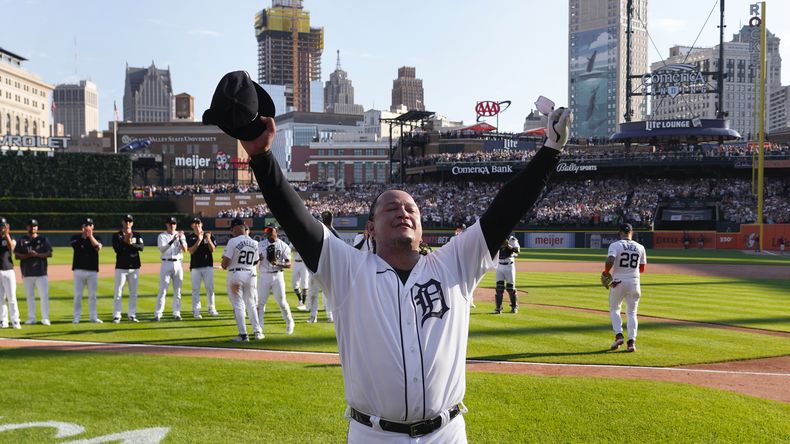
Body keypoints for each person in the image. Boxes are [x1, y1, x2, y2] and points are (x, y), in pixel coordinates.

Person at [202, 70, 571, 441]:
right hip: (375, 435)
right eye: (390, 209)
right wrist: (262, 158)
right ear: (371, 229)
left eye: (411, 209)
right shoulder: (347, 270)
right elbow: (296, 218)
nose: (403, 213)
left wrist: (549, 152)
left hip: (446, 433)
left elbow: (505, 209)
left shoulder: (455, 263)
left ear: (422, 227)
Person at [601, 223, 647, 353]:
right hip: (634, 282)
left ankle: (619, 335)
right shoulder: (640, 247)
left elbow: (610, 259)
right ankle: (631, 343)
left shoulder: (615, 245)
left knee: (615, 308)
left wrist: (606, 272)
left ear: (620, 232)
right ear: (631, 232)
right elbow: (642, 269)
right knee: (632, 313)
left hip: (618, 281)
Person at [221, 217, 263, 341]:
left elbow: (225, 264)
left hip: (236, 274)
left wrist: (226, 264)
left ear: (237, 227)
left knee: (238, 305)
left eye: (232, 228)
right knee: (251, 304)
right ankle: (258, 332)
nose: (231, 231)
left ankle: (243, 334)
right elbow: (256, 261)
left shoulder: (233, 241)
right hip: (251, 273)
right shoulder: (255, 242)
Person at [256, 224, 295, 336]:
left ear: (276, 231)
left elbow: (289, 264)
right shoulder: (260, 245)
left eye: (270, 230)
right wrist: (258, 259)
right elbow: (255, 261)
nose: (267, 232)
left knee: (282, 302)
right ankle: (260, 328)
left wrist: (278, 263)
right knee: (260, 303)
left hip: (277, 275)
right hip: (264, 275)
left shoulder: (284, 246)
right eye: (266, 230)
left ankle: (290, 322)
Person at [14, 219, 53, 325]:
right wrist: (28, 255)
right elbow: (17, 256)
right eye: (31, 226)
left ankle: (45, 318)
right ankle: (32, 318)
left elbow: (49, 253)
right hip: (27, 273)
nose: (33, 228)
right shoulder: (22, 240)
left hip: (41, 273)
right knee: (30, 297)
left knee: (44, 296)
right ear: (27, 227)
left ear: (37, 227)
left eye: (35, 226)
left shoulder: (43, 239)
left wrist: (37, 255)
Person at [154, 217, 188, 321]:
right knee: (163, 290)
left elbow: (185, 250)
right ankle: (158, 314)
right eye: (170, 223)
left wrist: (181, 239)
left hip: (178, 263)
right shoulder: (162, 236)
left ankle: (177, 313)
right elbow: (162, 250)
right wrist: (173, 240)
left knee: (177, 290)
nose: (172, 225)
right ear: (167, 224)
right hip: (166, 263)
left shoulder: (181, 235)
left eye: (174, 223)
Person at [112, 214, 144, 323]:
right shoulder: (117, 235)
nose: (128, 223)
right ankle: (117, 315)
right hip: (121, 266)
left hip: (134, 266)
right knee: (118, 291)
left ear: (132, 223)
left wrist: (131, 244)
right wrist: (126, 242)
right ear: (122, 222)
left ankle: (132, 314)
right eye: (126, 221)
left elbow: (141, 247)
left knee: (133, 292)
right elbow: (117, 249)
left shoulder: (137, 234)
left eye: (130, 221)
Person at [71, 218, 103, 324]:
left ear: (93, 227)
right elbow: (74, 245)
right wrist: (84, 236)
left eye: (90, 225)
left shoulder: (97, 238)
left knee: (92, 295)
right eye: (86, 225)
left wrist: (91, 236)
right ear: (82, 227)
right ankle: (76, 317)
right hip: (78, 270)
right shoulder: (76, 238)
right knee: (78, 295)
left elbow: (98, 247)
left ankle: (93, 317)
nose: (87, 227)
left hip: (92, 271)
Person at [186, 217, 218, 318]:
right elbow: (190, 251)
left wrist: (208, 239)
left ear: (201, 224)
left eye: (198, 223)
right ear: (192, 226)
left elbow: (213, 249)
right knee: (196, 289)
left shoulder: (209, 234)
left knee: (210, 288)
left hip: (208, 265)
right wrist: (199, 240)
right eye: (194, 224)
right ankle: (196, 310)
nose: (197, 225)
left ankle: (211, 308)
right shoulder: (190, 237)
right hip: (195, 266)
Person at [0, 217, 21, 329]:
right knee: (0, 298)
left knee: (11, 297)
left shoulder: (11, 237)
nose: (1, 228)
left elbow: (12, 248)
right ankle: (3, 320)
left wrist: (7, 234)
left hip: (8, 270)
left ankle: (15, 320)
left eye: (3, 226)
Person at [494, 234, 521, 314]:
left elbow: (517, 250)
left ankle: (514, 306)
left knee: (510, 288)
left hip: (509, 265)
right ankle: (498, 308)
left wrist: (508, 245)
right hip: (499, 265)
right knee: (499, 288)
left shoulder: (512, 239)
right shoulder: (497, 238)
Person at [290, 241, 309, 310]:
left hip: (304, 264)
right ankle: (300, 300)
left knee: (304, 283)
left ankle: (303, 303)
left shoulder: (307, 241)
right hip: (296, 263)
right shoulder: (293, 241)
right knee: (294, 283)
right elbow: (290, 249)